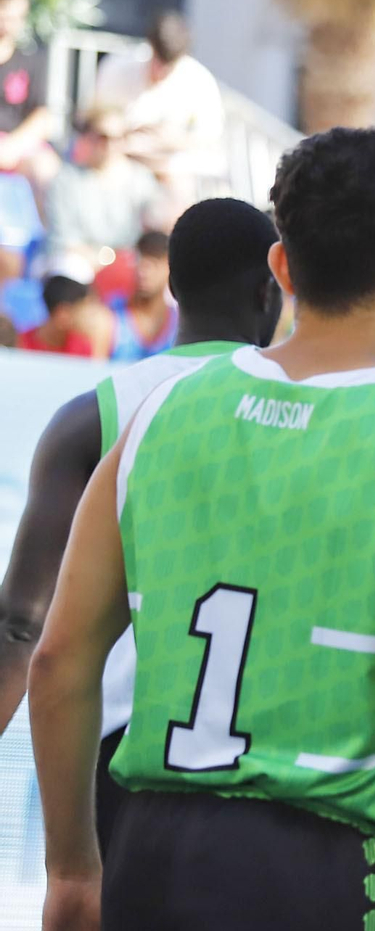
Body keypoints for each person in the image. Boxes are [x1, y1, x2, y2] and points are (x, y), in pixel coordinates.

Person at [29, 128, 375, 931]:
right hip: (318, 865)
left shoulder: (157, 416)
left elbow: (59, 660)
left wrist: (71, 871)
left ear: (282, 266)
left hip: (151, 850)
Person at [0, 199, 282, 857]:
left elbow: (20, 623)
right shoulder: (314, 417)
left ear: (172, 286)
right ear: (272, 289)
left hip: (122, 756)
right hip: (265, 769)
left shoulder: (91, 417)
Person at [93, 10, 225, 202]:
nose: (160, 71)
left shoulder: (198, 80)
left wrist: (171, 140)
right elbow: (97, 118)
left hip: (172, 167)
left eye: (168, 66)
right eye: (157, 61)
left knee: (179, 190)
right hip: (120, 160)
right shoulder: (119, 69)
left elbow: (209, 135)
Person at [45, 107, 167, 261]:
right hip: (79, 263)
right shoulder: (65, 180)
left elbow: (155, 230)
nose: (110, 144)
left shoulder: (142, 180)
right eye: (103, 137)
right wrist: (102, 261)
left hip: (129, 266)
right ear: (87, 137)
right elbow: (62, 239)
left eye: (118, 137)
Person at [0, 0, 59, 213]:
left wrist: (11, 148)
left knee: (47, 171)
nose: (7, 22)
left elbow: (42, 116)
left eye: (16, 16)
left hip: (16, 147)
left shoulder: (32, 61)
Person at [106, 231, 178, 361]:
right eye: (140, 262)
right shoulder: (110, 313)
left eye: (154, 264)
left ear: (169, 268)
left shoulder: (179, 324)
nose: (144, 272)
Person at [17, 274, 94, 356]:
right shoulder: (20, 344)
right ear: (62, 313)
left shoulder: (82, 347)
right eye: (80, 310)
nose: (87, 316)